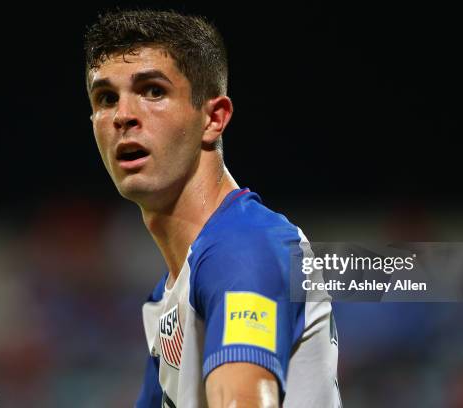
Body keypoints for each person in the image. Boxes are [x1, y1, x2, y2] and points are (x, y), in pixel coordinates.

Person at [84, 9, 341, 407]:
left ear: (213, 118)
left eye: (153, 91)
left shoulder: (244, 247)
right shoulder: (171, 295)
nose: (123, 116)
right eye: (106, 98)